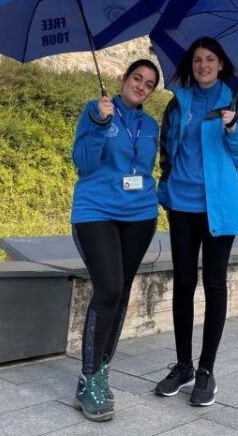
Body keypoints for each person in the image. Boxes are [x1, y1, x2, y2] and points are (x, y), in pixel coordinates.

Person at [154, 37, 238, 406]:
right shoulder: (177, 103)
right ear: (190, 65)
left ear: (221, 65)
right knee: (184, 283)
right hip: (182, 204)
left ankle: (206, 371)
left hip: (221, 207)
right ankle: (183, 365)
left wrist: (234, 129)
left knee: (214, 285)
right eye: (197, 59)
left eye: (210, 59)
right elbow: (167, 149)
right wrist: (165, 186)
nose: (203, 65)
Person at [70, 59, 161, 422]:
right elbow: (83, 163)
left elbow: (151, 168)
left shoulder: (150, 125)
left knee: (121, 293)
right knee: (107, 289)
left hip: (140, 216)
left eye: (149, 84)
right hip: (95, 212)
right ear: (123, 79)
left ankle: (102, 371)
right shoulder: (96, 110)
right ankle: (88, 378)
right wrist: (100, 124)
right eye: (136, 78)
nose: (141, 86)